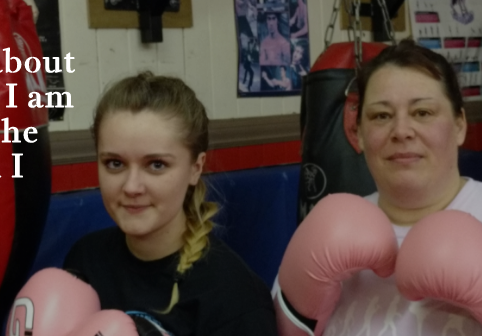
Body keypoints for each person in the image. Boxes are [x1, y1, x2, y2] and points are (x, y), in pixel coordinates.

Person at [275, 40, 482, 336]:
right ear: (358, 133)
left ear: (459, 125)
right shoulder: (331, 227)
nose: (401, 131)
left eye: (423, 112)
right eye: (381, 116)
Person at [63, 72, 277, 335]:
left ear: (195, 168)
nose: (131, 187)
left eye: (156, 165)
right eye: (114, 163)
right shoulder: (86, 259)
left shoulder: (235, 299)